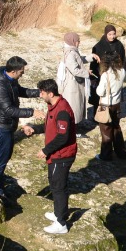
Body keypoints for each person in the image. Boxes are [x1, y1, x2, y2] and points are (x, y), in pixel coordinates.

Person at [0, 56, 38, 199]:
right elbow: (9, 110)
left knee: (3, 158)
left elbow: (21, 91)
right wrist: (32, 112)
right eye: (22, 71)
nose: (23, 73)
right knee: (0, 160)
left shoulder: (11, 80)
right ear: (14, 71)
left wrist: (39, 92)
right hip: (1, 128)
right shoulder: (0, 86)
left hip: (7, 127)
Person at [37, 78, 78, 234]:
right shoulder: (53, 106)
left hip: (61, 156)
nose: (40, 95)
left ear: (50, 93)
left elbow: (63, 137)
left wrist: (46, 150)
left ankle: (61, 223)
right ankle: (58, 213)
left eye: (42, 92)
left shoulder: (62, 110)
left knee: (58, 187)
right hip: (56, 155)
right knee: (55, 184)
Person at [93, 38, 126, 160]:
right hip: (117, 104)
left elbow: (99, 92)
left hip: (105, 105)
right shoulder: (122, 71)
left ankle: (106, 156)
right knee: (117, 128)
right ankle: (121, 153)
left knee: (106, 131)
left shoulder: (105, 75)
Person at [56, 33, 90, 131]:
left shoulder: (72, 51)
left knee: (75, 107)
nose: (79, 42)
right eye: (78, 40)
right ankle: (72, 132)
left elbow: (79, 60)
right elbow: (74, 69)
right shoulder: (70, 53)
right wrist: (86, 73)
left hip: (74, 85)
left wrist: (91, 57)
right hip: (72, 86)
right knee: (73, 108)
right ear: (73, 41)